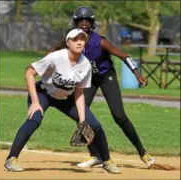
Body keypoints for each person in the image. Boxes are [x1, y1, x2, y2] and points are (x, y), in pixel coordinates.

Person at [48, 6, 157, 169]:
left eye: (88, 20)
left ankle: (144, 154)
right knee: (81, 114)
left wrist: (137, 74)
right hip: (88, 79)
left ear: (92, 24)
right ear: (75, 23)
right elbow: (54, 50)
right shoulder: (71, 40)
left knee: (119, 116)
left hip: (107, 77)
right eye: (80, 20)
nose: (84, 23)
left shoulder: (100, 42)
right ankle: (95, 156)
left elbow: (124, 55)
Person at [4, 28, 121, 174]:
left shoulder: (85, 65)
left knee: (95, 125)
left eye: (82, 39)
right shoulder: (56, 57)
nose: (79, 42)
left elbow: (79, 92)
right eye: (75, 39)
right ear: (68, 42)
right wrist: (35, 102)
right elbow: (30, 72)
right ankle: (11, 159)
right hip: (43, 94)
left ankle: (107, 161)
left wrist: (82, 121)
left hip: (66, 97)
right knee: (35, 119)